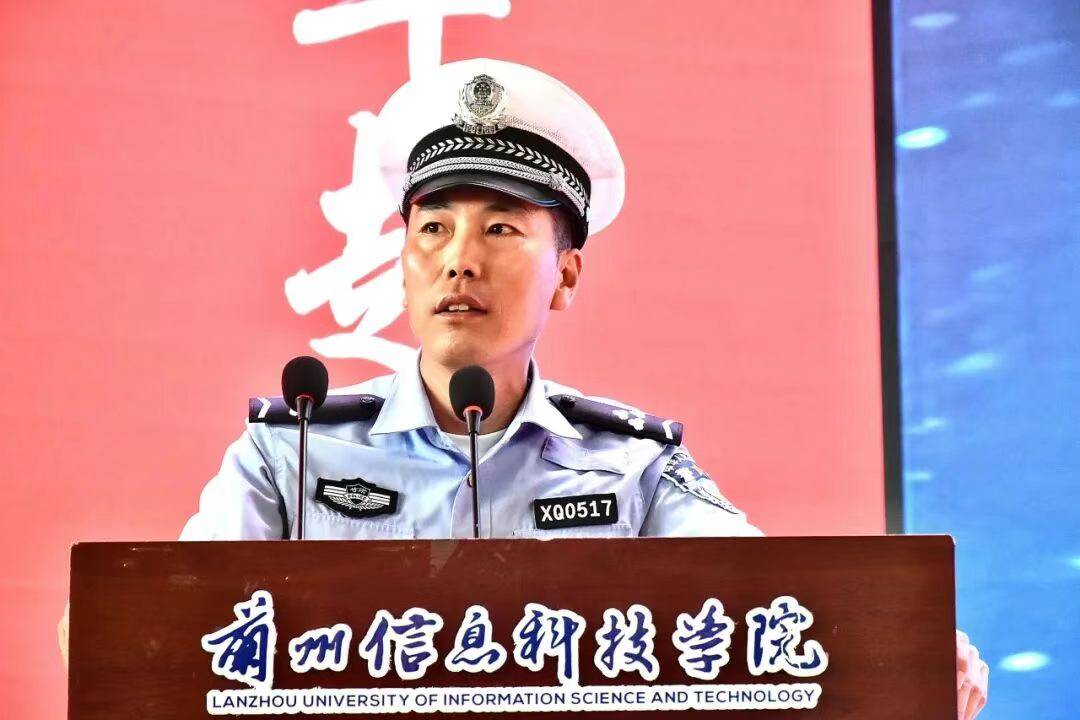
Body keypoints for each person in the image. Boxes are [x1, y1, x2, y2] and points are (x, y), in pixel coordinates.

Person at [63, 58, 989, 718]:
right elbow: (149, 642)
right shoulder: (290, 452)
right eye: (433, 229)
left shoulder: (634, 469)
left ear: (567, 273)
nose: (458, 260)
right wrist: (115, 639)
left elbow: (770, 604)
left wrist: (896, 651)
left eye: (501, 229)